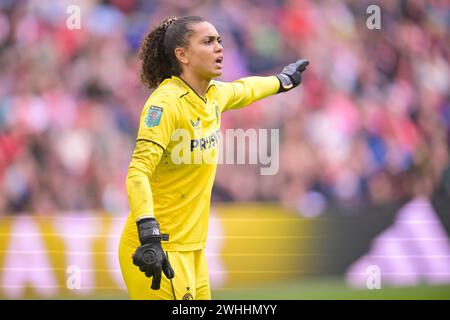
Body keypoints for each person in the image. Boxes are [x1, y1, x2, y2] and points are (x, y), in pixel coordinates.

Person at [118, 15, 309, 300]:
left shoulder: (213, 95)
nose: (219, 47)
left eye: (219, 40)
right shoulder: (165, 104)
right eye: (208, 41)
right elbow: (137, 173)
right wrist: (149, 234)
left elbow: (246, 90)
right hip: (158, 249)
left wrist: (282, 81)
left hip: (193, 249)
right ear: (181, 54)